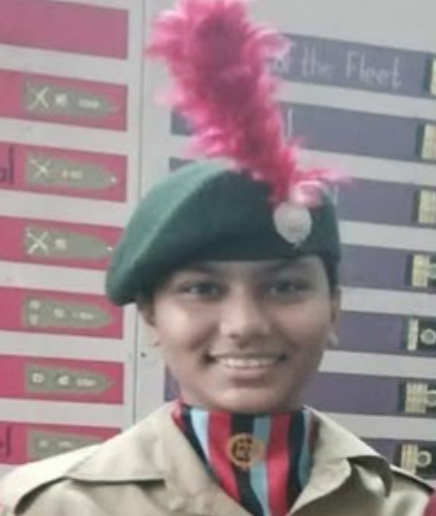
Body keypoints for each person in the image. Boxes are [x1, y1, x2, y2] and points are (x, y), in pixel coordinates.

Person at [0, 0, 432, 514]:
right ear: (151, 315)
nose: (245, 325)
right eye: (202, 289)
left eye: (286, 287)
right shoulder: (45, 507)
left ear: (334, 309)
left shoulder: (410, 507)